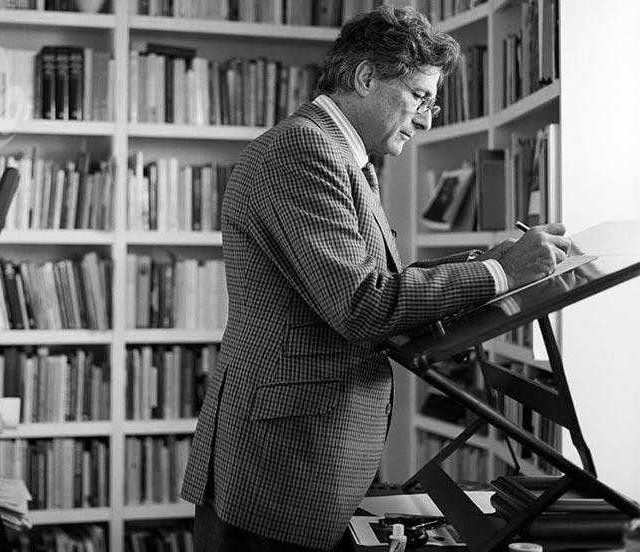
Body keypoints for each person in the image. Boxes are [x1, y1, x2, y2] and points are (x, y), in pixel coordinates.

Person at [181, 5, 570, 552]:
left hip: (304, 448)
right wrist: (500, 273)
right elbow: (362, 304)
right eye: (420, 97)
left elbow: (379, 280)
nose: (427, 120)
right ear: (366, 78)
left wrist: (489, 261)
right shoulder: (304, 149)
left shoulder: (345, 157)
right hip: (283, 462)